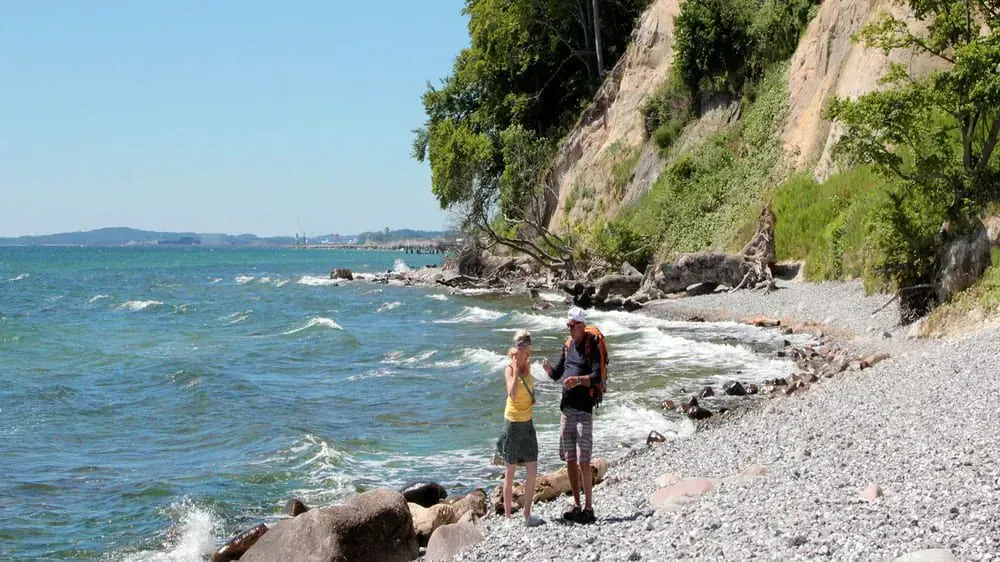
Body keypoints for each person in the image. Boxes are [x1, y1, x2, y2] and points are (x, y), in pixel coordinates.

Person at [542, 307, 600, 524]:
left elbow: (597, 376)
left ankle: (589, 508)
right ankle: (576, 504)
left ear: (581, 325)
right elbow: (558, 374)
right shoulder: (567, 346)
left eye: (572, 325)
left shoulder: (590, 345)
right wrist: (548, 369)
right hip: (566, 410)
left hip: (583, 410)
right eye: (568, 325)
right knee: (570, 459)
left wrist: (577, 381)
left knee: (584, 461)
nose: (569, 329)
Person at [495, 330, 544, 527]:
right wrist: (515, 369)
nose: (523, 351)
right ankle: (507, 517)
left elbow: (528, 388)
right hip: (513, 423)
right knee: (511, 470)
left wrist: (532, 398)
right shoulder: (509, 368)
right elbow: (513, 394)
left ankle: (526, 514)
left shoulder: (529, 364)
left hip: (528, 422)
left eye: (525, 347)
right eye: (520, 347)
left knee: (532, 469)